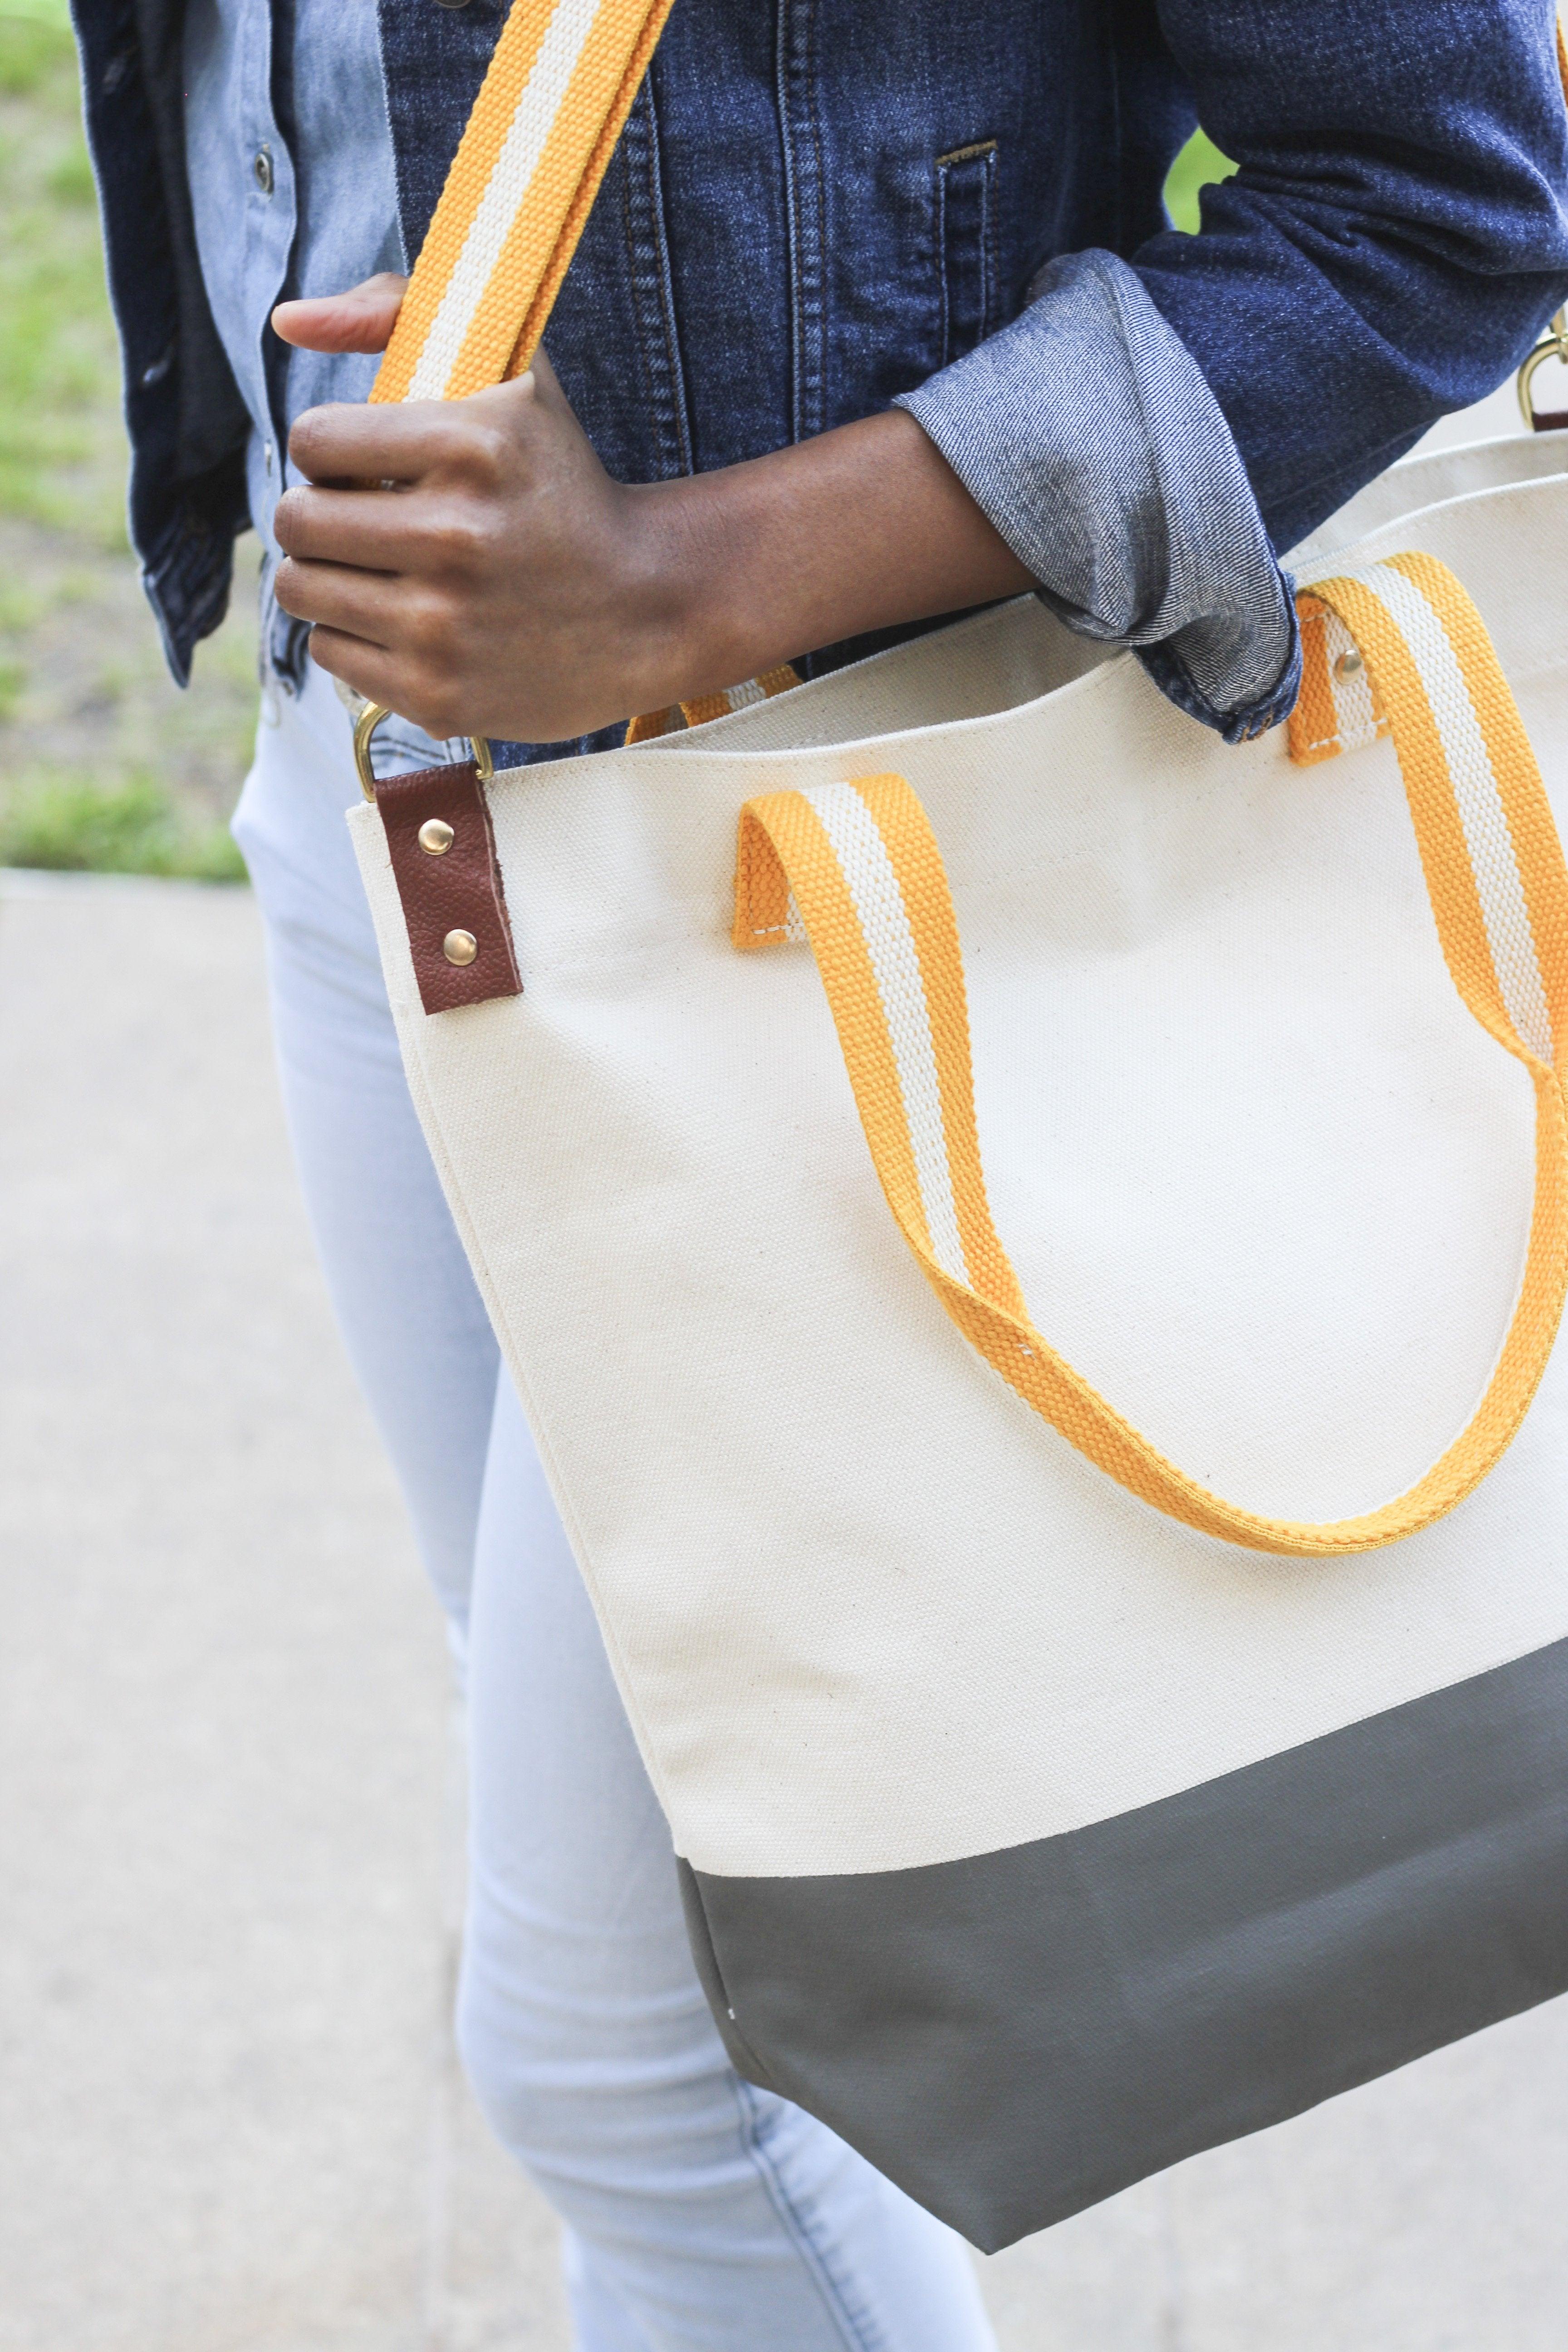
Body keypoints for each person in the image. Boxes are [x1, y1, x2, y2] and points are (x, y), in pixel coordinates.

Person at [72, 2, 1568, 2343]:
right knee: (695, 1915)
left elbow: (1440, 200)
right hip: (372, 771)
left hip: (798, 840)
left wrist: (676, 579)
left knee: (644, 2056)